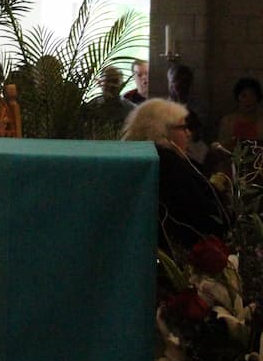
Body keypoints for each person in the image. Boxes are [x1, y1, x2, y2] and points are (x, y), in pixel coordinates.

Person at [121, 98, 226, 254]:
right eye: (183, 127)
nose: (188, 133)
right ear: (161, 130)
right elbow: (202, 212)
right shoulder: (169, 165)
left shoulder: (150, 160)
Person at [80, 64, 135, 138]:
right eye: (108, 81)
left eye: (115, 81)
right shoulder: (90, 108)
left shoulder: (132, 110)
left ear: (122, 83)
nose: (111, 85)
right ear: (99, 83)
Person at [218, 76, 263, 148]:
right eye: (244, 96)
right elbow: (222, 148)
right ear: (238, 98)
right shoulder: (227, 121)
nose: (248, 100)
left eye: (252, 96)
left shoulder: (261, 122)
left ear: (257, 99)